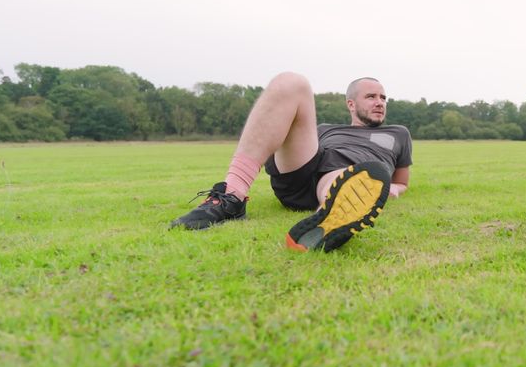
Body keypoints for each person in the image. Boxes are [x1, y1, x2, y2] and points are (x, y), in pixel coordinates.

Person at [171, 74, 413, 252]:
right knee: (291, 82)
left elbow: (401, 180)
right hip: (303, 170)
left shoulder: (399, 133)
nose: (380, 102)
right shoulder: (326, 129)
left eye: (383, 97)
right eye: (371, 97)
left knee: (348, 176)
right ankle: (232, 195)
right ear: (351, 104)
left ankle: (329, 215)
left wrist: (394, 188)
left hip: (349, 174)